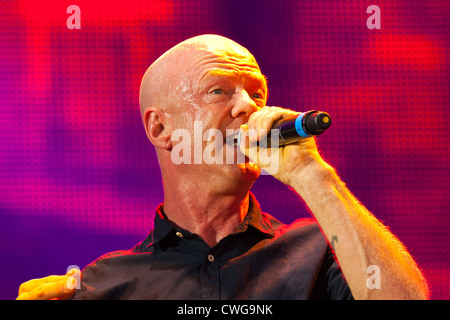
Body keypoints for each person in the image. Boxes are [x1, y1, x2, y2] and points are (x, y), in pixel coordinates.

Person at [16, 34, 429, 300]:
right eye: (219, 90)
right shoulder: (107, 284)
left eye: (257, 93)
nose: (250, 107)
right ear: (161, 128)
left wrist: (309, 172)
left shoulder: (319, 254)